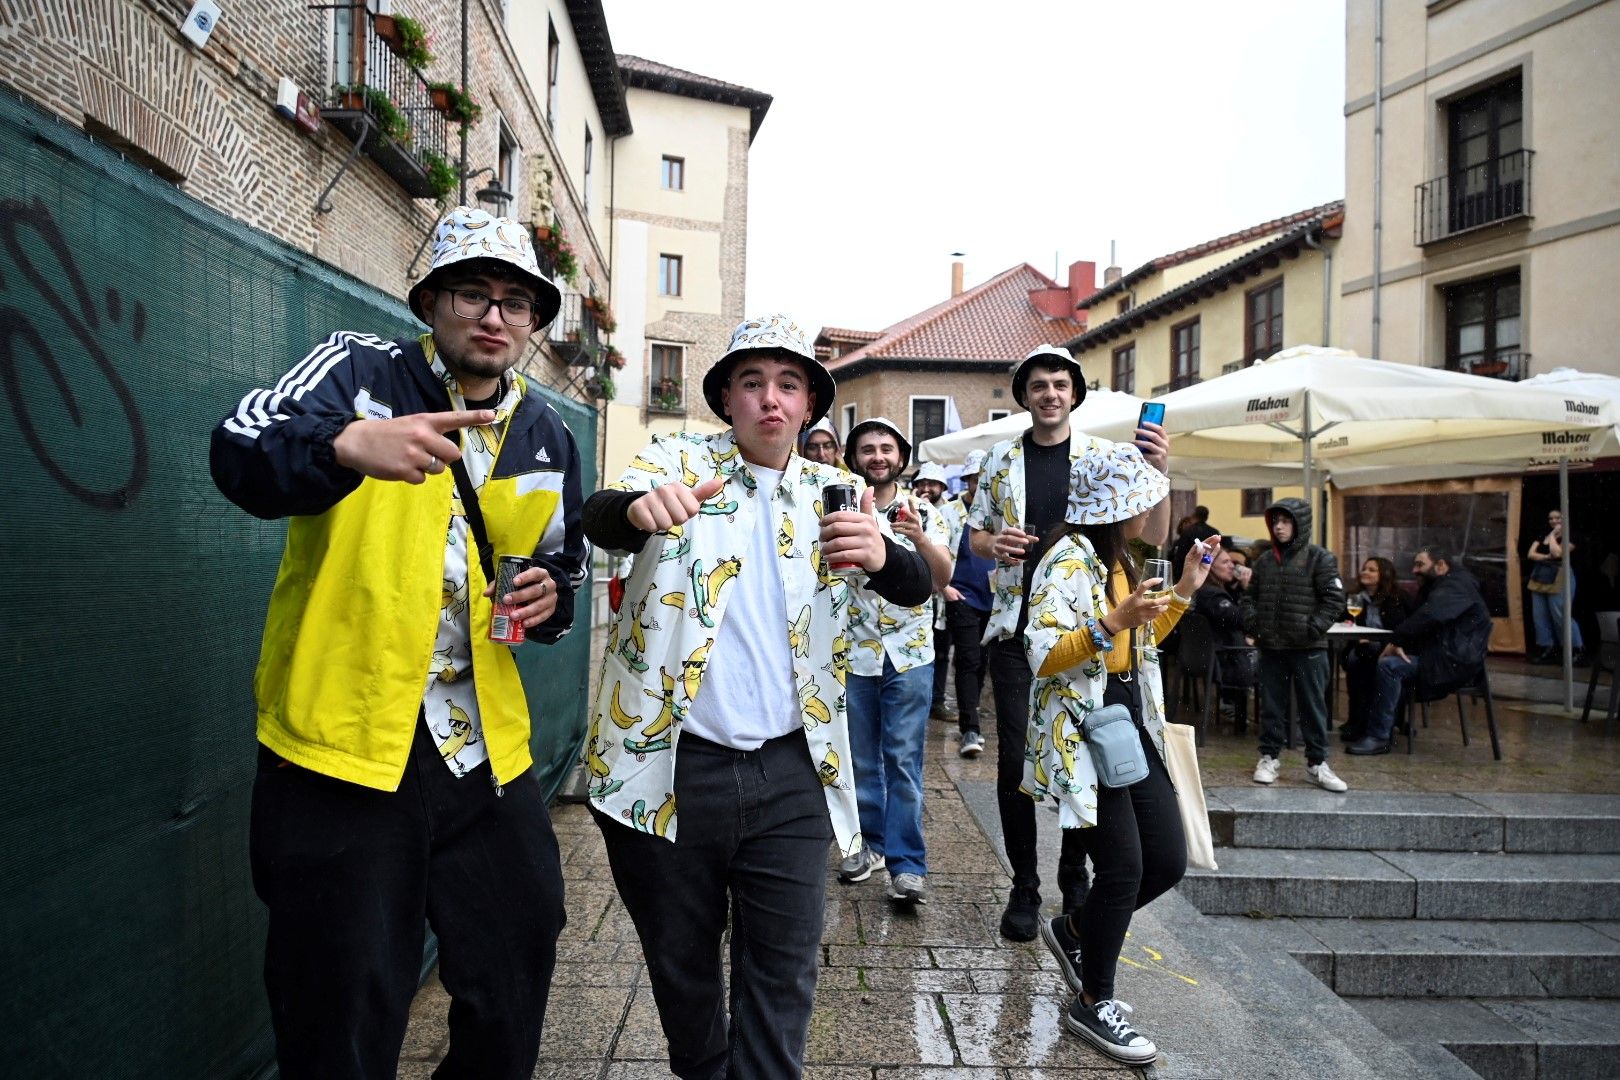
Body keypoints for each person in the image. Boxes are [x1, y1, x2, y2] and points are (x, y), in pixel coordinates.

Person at [209, 205, 586, 1079]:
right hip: (343, 745)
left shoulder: (547, 430)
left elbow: (561, 569)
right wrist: (343, 444)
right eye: (472, 293)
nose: (495, 315)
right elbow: (240, 445)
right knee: (339, 1002)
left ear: (533, 322)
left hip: (483, 747)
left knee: (518, 952)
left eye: (516, 301)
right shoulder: (358, 370)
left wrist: (547, 597)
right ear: (430, 300)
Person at [580, 314, 931, 1079]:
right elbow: (607, 512)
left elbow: (914, 589)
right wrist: (638, 514)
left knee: (784, 974)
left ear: (808, 405)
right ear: (727, 400)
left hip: (792, 774)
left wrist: (885, 557)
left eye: (788, 384)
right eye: (752, 382)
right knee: (683, 972)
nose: (771, 400)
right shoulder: (679, 459)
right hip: (665, 768)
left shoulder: (834, 493)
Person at [967, 343, 1172, 940]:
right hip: (1013, 629)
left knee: (1087, 755)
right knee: (1014, 764)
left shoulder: (1105, 455)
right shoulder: (1000, 460)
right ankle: (1025, 886)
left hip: (1091, 631)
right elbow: (974, 535)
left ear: (1074, 394)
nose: (1050, 393)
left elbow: (1152, 536)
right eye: (1038, 385)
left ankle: (1074, 876)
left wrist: (1163, 471)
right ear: (1025, 396)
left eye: (1060, 383)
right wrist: (992, 545)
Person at [1024, 442, 1216, 1065]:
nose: (1147, 512)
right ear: (1115, 506)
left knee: (1166, 859)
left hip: (1130, 724)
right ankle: (1093, 999)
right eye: (1139, 500)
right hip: (1088, 730)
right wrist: (1112, 622)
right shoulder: (1068, 559)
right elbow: (1045, 654)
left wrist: (1184, 589)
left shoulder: (1120, 560)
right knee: (1125, 868)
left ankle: (1077, 930)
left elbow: (1139, 643)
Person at [838, 419, 954, 903]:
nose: (878, 456)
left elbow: (941, 576)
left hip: (910, 654)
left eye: (887, 448)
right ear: (854, 457)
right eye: (868, 449)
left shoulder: (923, 509)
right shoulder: (840, 506)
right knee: (862, 759)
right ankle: (870, 845)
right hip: (855, 651)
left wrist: (920, 539)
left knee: (903, 760)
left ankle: (908, 865)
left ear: (901, 457)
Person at [1241, 497, 1350, 792]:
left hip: (1308, 649)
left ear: (1300, 524)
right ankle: (1269, 757)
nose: (1279, 527)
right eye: (1275, 521)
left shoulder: (1320, 558)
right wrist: (1254, 624)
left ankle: (1318, 763)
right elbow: (1249, 597)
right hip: (1272, 647)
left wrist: (1312, 629)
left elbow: (1334, 599)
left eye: (1286, 521)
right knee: (1272, 707)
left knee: (1313, 707)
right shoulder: (1264, 561)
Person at [1347, 545, 1492, 755]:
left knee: (1388, 666)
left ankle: (1378, 736)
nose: (1414, 570)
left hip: (1453, 663)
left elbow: (1430, 615)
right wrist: (1402, 644)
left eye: (1420, 564)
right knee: (1372, 660)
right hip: (1445, 657)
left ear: (1441, 565)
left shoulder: (1456, 585)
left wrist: (1397, 641)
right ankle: (1369, 726)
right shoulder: (1444, 584)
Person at [946, 449, 996, 757]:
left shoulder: (997, 514)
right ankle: (970, 728)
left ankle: (972, 713)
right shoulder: (952, 512)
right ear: (967, 481)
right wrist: (945, 586)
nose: (979, 485)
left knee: (981, 662)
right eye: (975, 480)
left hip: (993, 600)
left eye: (985, 479)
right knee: (968, 659)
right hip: (961, 595)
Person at [1339, 556, 1415, 744]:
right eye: (1364, 569)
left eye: (1372, 570)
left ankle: (1365, 723)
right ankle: (1359, 721)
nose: (1365, 572)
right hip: (1362, 648)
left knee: (1367, 661)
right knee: (1358, 659)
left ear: (1384, 574)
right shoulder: (1354, 597)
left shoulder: (1399, 597)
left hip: (1392, 649)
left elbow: (1407, 627)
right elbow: (1343, 620)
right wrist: (1349, 624)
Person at [912, 461, 961, 721]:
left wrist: (946, 585)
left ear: (942, 486)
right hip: (915, 591)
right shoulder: (910, 508)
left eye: (932, 484)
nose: (926, 488)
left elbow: (952, 553)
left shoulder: (950, 513)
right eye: (922, 483)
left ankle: (937, 700)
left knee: (941, 651)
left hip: (946, 591)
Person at [1193, 547, 1257, 732]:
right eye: (1225, 562)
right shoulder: (1212, 595)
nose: (1232, 566)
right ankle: (1287, 727)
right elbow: (1243, 620)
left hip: (1216, 658)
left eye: (1232, 562)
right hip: (1227, 662)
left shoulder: (1208, 590)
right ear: (1210, 567)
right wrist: (1249, 590)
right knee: (1279, 662)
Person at [1526, 508, 1586, 665]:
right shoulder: (1541, 534)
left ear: (1564, 519)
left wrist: (1552, 536)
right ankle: (1548, 648)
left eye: (1558, 518)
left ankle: (1576, 649)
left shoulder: (1571, 535)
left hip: (1560, 575)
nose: (1554, 521)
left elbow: (1558, 553)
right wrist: (1547, 557)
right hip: (1540, 575)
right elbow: (1531, 554)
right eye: (1551, 518)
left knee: (1560, 613)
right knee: (1540, 615)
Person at [1170, 504, 1219, 571]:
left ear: (1194, 515)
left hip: (1189, 569)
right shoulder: (1214, 532)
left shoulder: (1189, 531)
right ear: (1206, 517)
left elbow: (1180, 555)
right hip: (1210, 570)